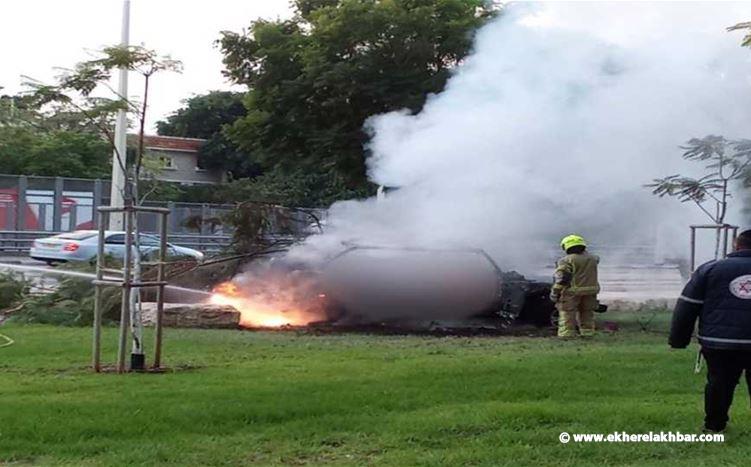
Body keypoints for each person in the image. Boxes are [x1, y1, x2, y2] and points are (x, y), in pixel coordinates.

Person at [670, 229, 751, 433]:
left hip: (719, 341)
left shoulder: (711, 269)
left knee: (719, 384)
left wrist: (678, 340)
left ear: (735, 244)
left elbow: (687, 305)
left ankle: (714, 426)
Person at [550, 234, 601, 338]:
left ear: (566, 247)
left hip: (572, 291)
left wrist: (555, 292)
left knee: (567, 314)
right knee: (587, 313)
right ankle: (587, 334)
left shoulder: (566, 260)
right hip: (591, 291)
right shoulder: (593, 259)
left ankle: (566, 335)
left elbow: (562, 279)